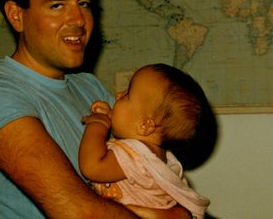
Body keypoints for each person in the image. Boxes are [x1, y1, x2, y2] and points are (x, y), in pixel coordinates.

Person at [0, 0, 191, 218]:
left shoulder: (88, 86)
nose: (79, 20)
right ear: (16, 15)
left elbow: (149, 168)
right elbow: (79, 213)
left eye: (83, 3)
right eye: (57, 5)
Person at [79, 63, 212, 219]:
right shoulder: (157, 157)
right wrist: (112, 116)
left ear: (145, 126)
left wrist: (98, 124)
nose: (118, 95)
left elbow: (92, 167)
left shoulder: (135, 156)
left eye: (127, 95)